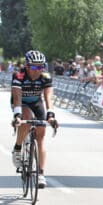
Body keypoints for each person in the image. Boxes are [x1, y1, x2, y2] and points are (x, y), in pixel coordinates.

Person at [11, 50, 58, 188]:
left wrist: (51, 114)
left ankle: (41, 174)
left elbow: (48, 97)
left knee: (41, 135)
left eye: (41, 66)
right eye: (34, 67)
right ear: (26, 65)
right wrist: (17, 116)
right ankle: (18, 147)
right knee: (27, 118)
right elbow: (17, 97)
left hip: (36, 102)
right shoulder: (19, 75)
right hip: (21, 102)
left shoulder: (45, 76)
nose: (38, 70)